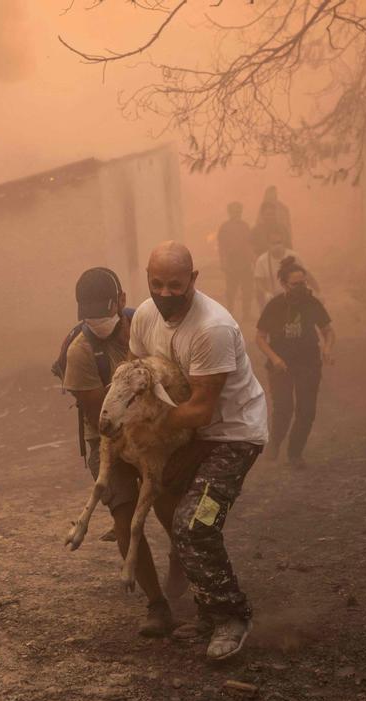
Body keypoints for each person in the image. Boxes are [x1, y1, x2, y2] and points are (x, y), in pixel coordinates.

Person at [131, 241, 268, 661]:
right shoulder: (143, 316)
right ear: (148, 280)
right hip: (189, 435)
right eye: (158, 284)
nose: (166, 293)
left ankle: (233, 616)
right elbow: (138, 378)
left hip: (232, 436)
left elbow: (199, 410)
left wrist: (144, 424)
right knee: (173, 512)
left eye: (176, 285)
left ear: (193, 279)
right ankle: (209, 613)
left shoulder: (213, 328)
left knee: (195, 523)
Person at [61, 267, 176, 637]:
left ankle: (181, 569)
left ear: (122, 301)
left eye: (104, 313)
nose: (97, 322)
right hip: (110, 440)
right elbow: (103, 418)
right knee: (127, 518)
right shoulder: (79, 353)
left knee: (173, 508)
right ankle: (156, 605)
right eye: (89, 317)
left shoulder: (144, 325)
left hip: (157, 431)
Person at [255, 258, 335, 467]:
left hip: (308, 363)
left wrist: (327, 348)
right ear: (284, 284)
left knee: (306, 410)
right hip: (281, 365)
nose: (301, 288)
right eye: (295, 284)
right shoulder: (275, 305)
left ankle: (295, 453)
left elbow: (328, 330)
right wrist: (275, 358)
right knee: (283, 408)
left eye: (303, 283)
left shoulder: (312, 303)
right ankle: (275, 442)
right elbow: (260, 337)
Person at [216, 201, 256, 323]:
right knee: (231, 291)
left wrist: (252, 259)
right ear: (229, 212)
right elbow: (221, 246)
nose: (236, 213)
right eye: (234, 210)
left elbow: (249, 244)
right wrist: (223, 262)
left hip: (245, 262)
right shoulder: (224, 227)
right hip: (231, 263)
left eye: (238, 210)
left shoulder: (245, 226)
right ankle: (229, 312)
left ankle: (246, 314)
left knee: (247, 290)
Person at [253, 231, 318, 306]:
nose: (277, 245)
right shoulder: (261, 261)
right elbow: (258, 282)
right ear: (268, 244)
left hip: (295, 298)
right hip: (274, 299)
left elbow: (308, 275)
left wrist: (318, 292)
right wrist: (266, 293)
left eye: (279, 242)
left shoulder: (294, 256)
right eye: (273, 243)